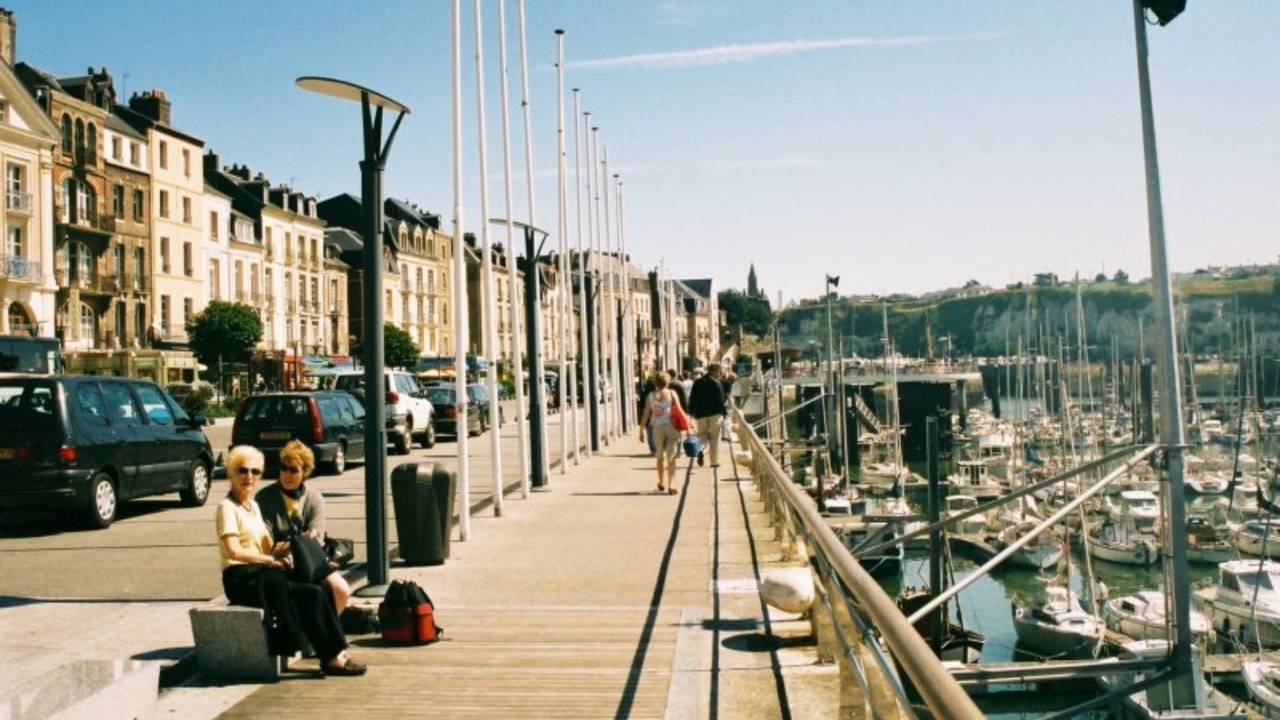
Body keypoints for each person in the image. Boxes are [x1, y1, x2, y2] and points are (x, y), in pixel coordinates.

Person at [217, 445, 366, 676]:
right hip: (242, 578)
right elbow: (233, 551)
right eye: (242, 470)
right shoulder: (228, 508)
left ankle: (333, 653)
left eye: (255, 472)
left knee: (316, 591)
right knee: (307, 594)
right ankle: (331, 656)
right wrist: (270, 560)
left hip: (263, 572)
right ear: (231, 473)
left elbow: (267, 546)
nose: (249, 477)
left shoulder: (252, 506)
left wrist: (288, 551)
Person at [256, 440, 352, 615]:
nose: (286, 474)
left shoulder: (314, 498)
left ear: (305, 472)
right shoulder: (264, 498)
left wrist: (295, 544)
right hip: (278, 562)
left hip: (310, 560)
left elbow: (316, 539)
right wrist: (299, 541)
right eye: (283, 468)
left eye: (294, 470)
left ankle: (330, 630)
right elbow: (266, 542)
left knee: (341, 589)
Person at [637, 371, 684, 494]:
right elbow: (679, 409)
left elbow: (646, 414)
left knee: (660, 456)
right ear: (668, 381)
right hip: (672, 426)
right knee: (671, 456)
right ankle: (672, 484)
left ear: (655, 382)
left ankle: (661, 482)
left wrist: (641, 430)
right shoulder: (672, 393)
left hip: (657, 428)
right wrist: (688, 425)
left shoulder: (650, 396)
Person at [689, 363, 728, 468]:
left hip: (701, 414)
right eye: (719, 372)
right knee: (714, 438)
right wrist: (724, 413)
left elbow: (692, 398)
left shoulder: (697, 382)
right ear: (715, 371)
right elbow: (721, 400)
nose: (720, 374)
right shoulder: (717, 383)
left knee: (702, 435)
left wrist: (692, 412)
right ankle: (714, 462)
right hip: (715, 414)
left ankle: (701, 449)